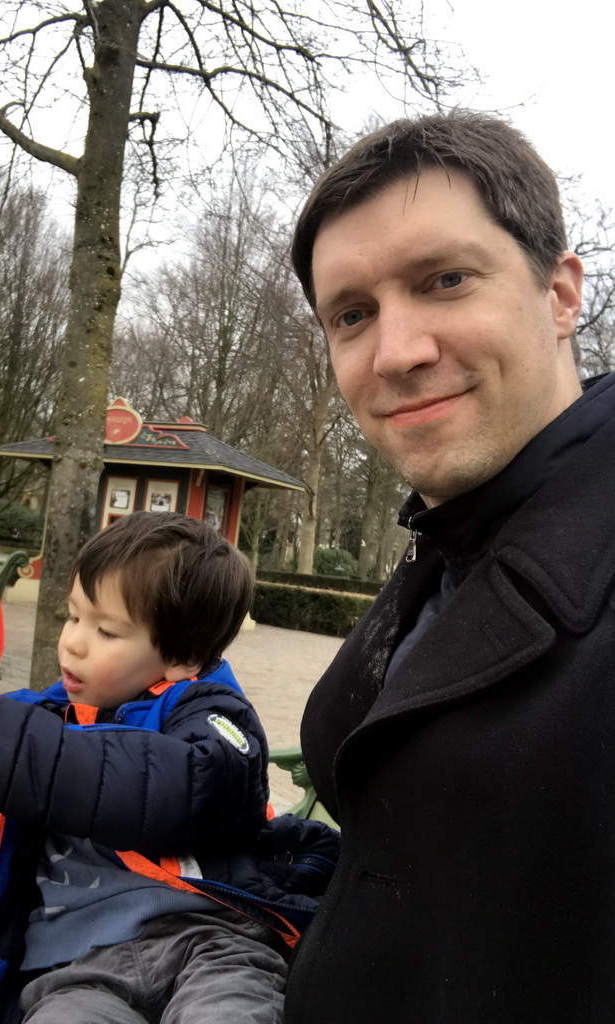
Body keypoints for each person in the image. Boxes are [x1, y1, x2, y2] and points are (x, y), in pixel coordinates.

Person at [283, 111, 615, 1024]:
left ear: (558, 294)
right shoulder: (458, 536)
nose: (396, 353)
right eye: (351, 315)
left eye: (446, 280)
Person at [0, 511, 338, 1024]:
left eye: (107, 631)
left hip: (208, 943)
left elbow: (182, 789)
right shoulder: (40, 720)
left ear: (184, 657)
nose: (73, 641)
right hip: (76, 965)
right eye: (73, 616)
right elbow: (4, 862)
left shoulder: (213, 717)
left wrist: (15, 747)